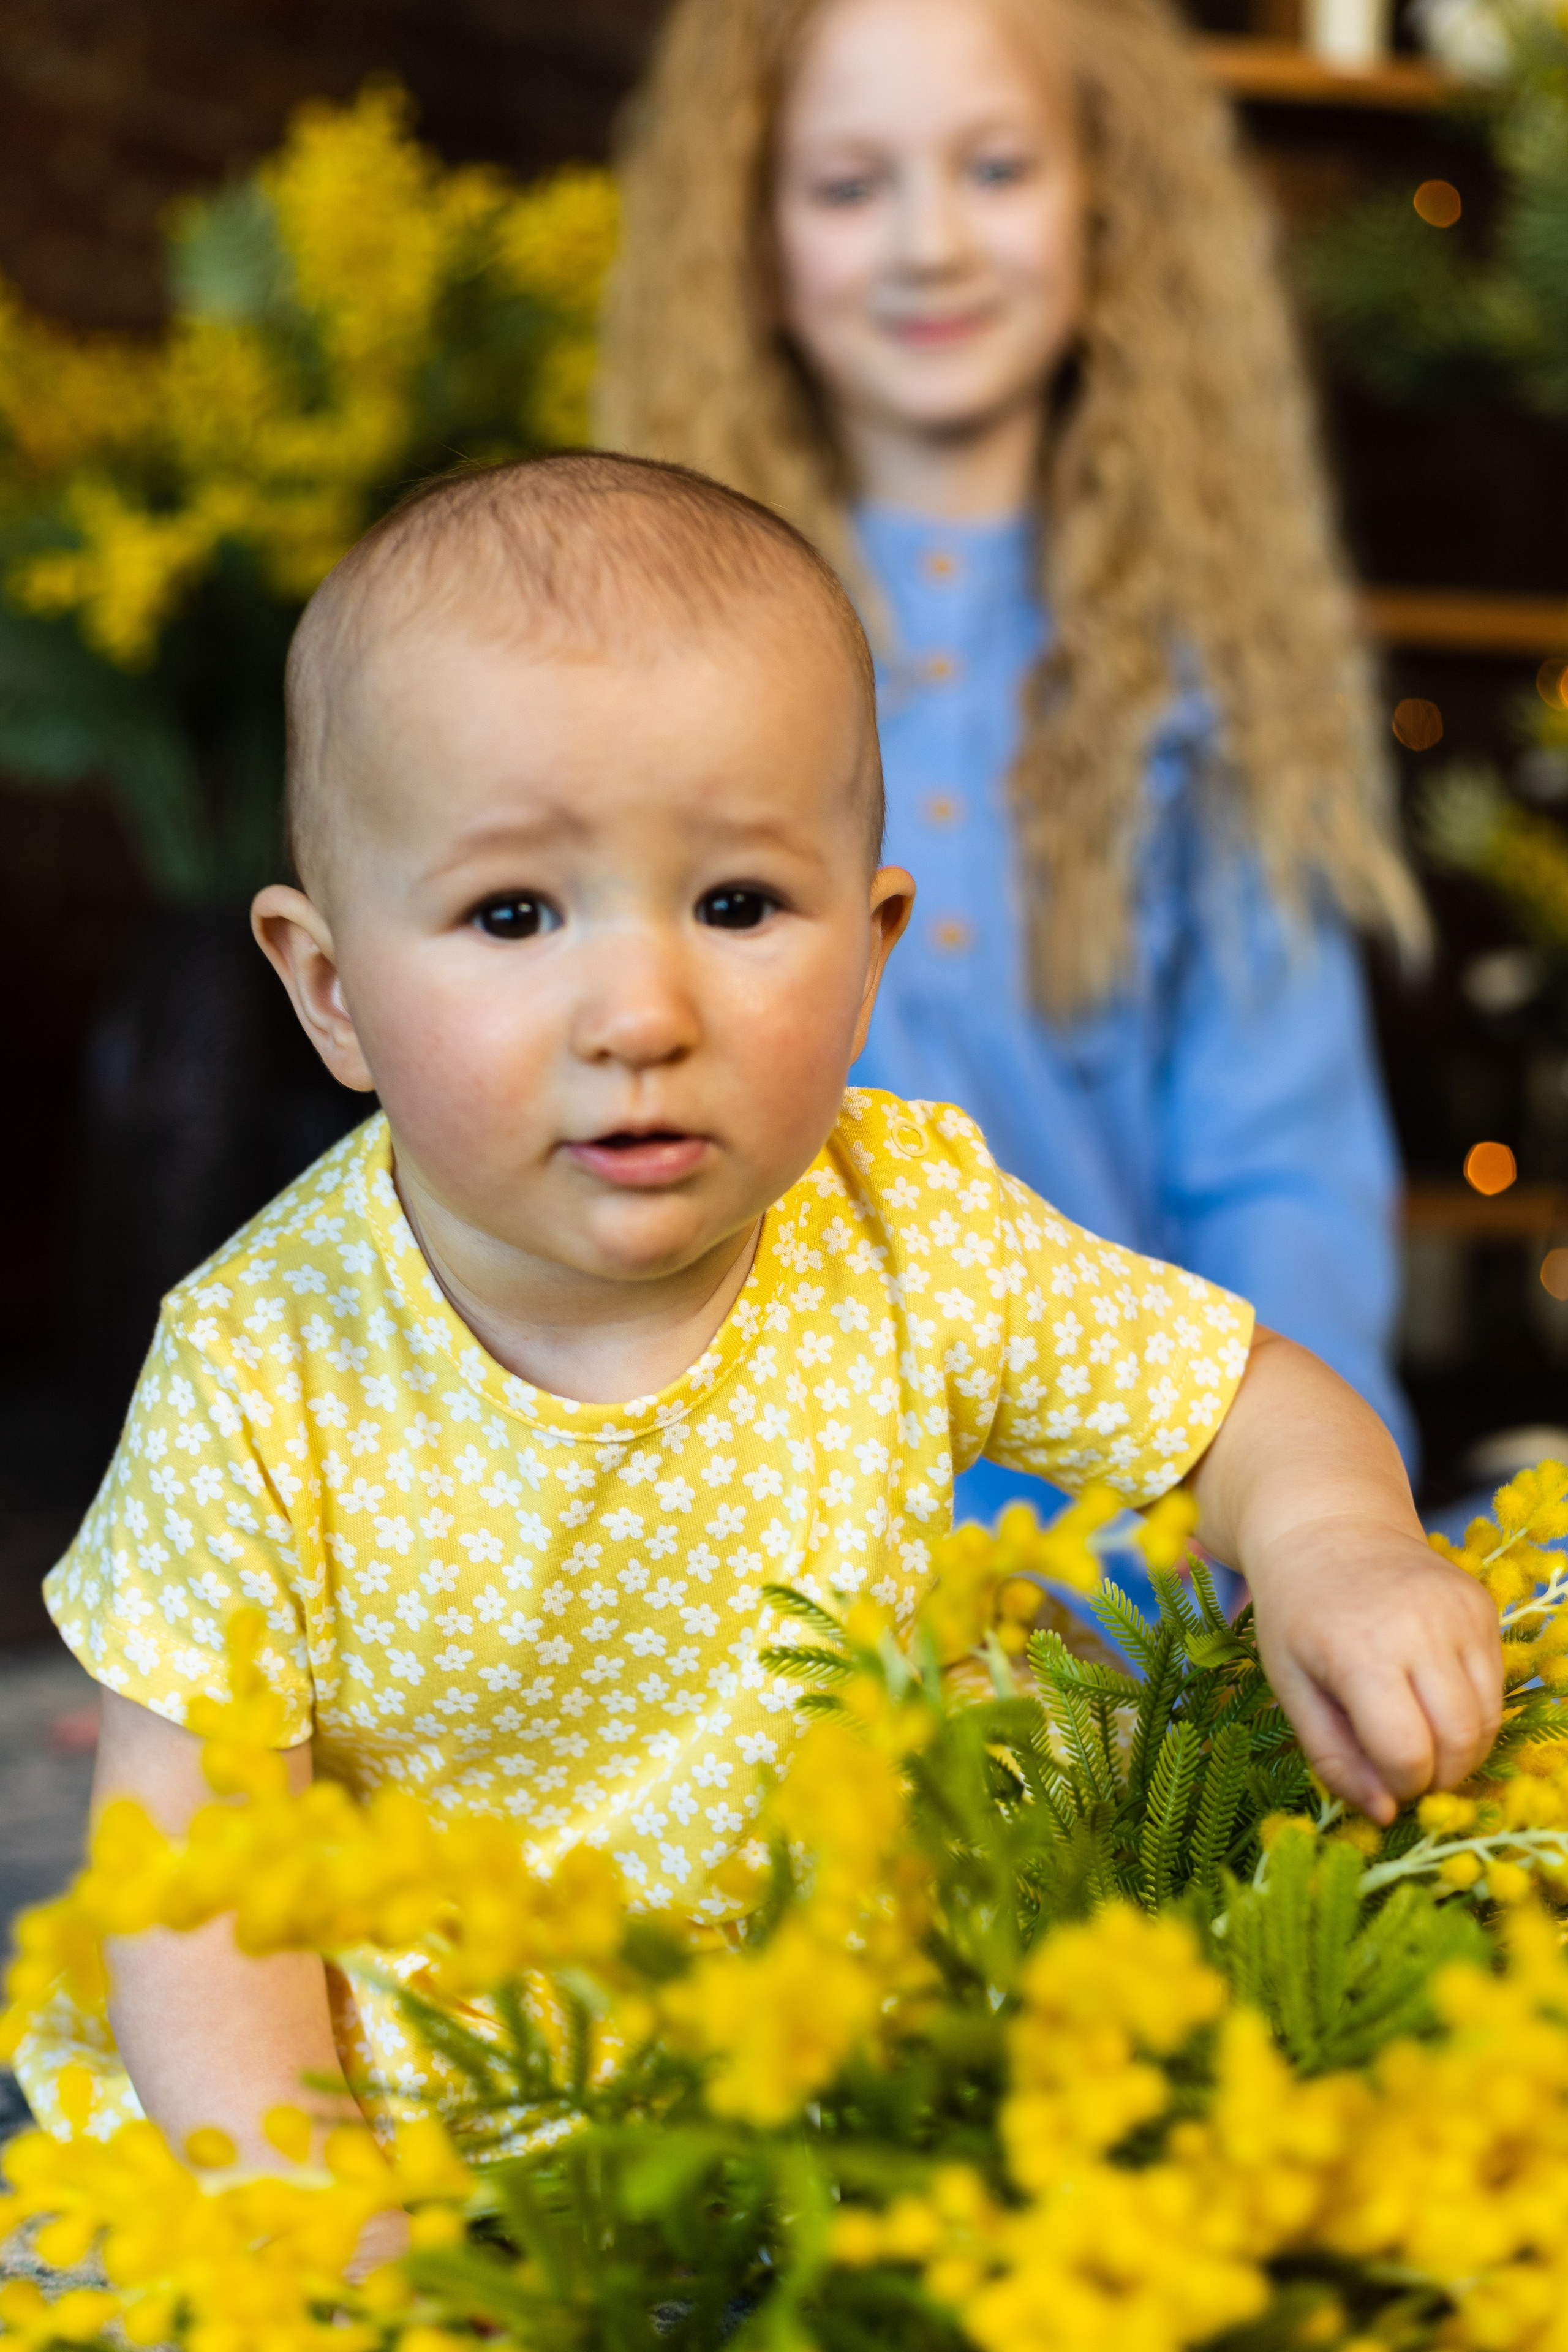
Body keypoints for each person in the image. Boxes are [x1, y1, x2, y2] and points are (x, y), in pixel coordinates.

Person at [19, 458, 1495, 2253]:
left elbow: (1238, 1399)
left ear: (867, 958)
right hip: (427, 2113)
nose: (642, 1016)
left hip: (866, 2052)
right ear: (331, 991)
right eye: (513, 915)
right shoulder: (261, 1366)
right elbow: (190, 1891)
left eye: (735, 906)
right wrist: (341, 2242)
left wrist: (1340, 1545)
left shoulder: (907, 1226)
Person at [597, 0, 1430, 1543]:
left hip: (1124, 1545)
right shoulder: (628, 649)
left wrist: (1310, 1532)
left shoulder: (1205, 673)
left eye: (995, 170)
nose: (930, 245)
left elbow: (1277, 1172)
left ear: (1106, 200)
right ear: (748, 233)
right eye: (849, 186)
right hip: (722, 1545)